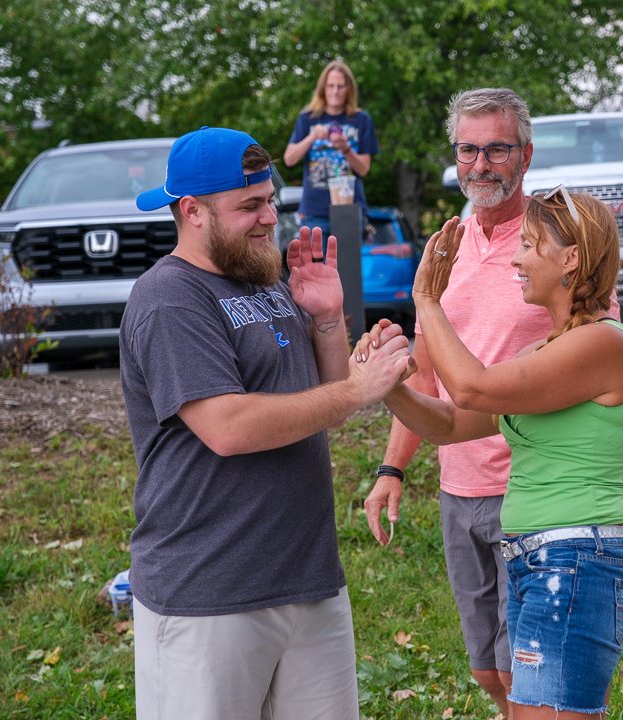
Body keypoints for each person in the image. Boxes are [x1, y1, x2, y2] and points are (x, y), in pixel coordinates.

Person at [120, 126, 411, 720]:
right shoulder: (169, 298)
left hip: (306, 577)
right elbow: (228, 426)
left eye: (270, 200)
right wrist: (357, 391)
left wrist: (328, 321)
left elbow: (318, 397)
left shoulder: (267, 279)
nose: (266, 219)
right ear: (192, 211)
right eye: (248, 206)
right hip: (209, 591)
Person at [360, 187, 623, 719]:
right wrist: (388, 384)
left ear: (572, 259)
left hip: (576, 558)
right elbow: (449, 422)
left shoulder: (603, 345)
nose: (516, 257)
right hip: (539, 560)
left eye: (530, 245)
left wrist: (428, 300)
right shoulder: (545, 351)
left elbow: (469, 388)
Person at [362, 87, 551, 714]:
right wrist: (393, 468)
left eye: (496, 149)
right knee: (487, 671)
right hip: (459, 488)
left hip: (533, 485)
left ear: (525, 154)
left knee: (527, 669)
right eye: (468, 149)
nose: (480, 164)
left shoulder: (554, 240)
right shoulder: (449, 242)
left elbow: (590, 346)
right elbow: (430, 372)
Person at [284, 59, 379, 244]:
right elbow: (289, 159)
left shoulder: (360, 119)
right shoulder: (308, 118)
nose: (335, 91)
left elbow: (363, 169)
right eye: (331, 86)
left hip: (349, 209)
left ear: (348, 89)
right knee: (315, 269)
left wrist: (345, 148)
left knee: (347, 271)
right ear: (323, 88)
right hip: (314, 211)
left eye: (340, 86)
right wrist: (312, 137)